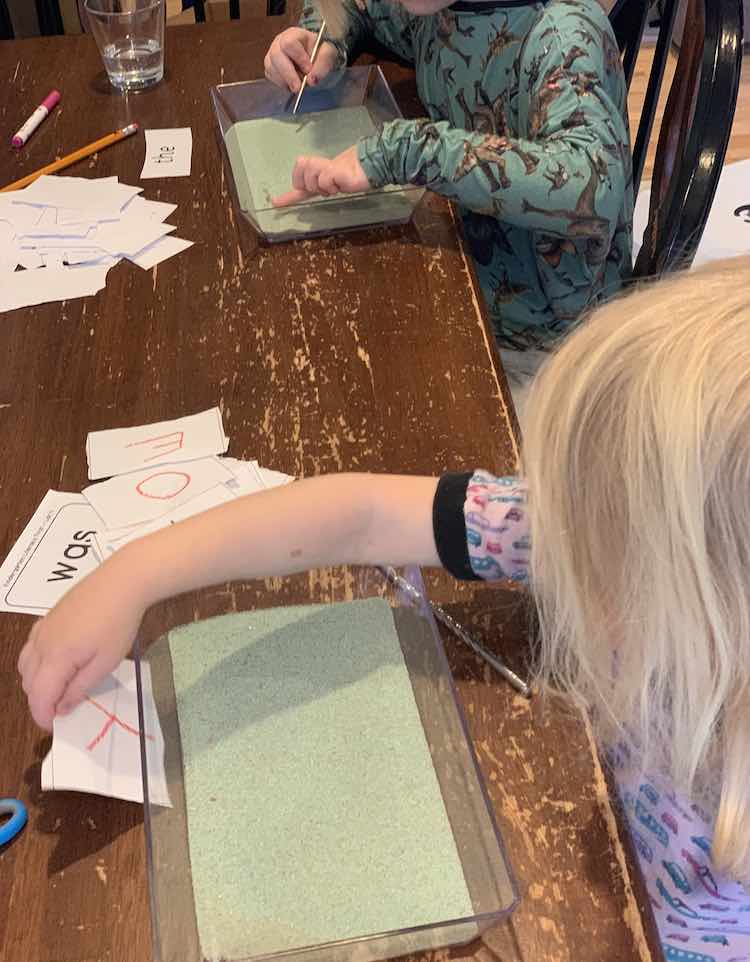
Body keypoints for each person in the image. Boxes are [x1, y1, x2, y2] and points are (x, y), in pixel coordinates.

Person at [18, 256, 750, 955]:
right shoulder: (598, 524)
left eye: (608, 552)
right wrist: (134, 572)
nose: (566, 539)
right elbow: (364, 513)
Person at [263, 0, 633, 398]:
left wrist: (408, 149)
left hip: (547, 350)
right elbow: (353, 5)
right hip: (465, 268)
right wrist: (322, 39)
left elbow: (593, 183)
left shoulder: (561, 33)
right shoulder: (436, 9)